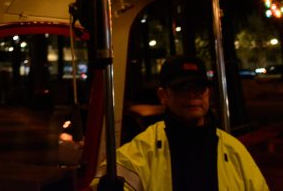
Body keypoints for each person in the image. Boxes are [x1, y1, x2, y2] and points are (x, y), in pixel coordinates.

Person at [96, 56, 268, 191]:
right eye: (182, 88)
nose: (192, 95)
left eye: (199, 87)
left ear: (207, 94)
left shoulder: (233, 150)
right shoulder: (143, 150)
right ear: (163, 96)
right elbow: (108, 177)